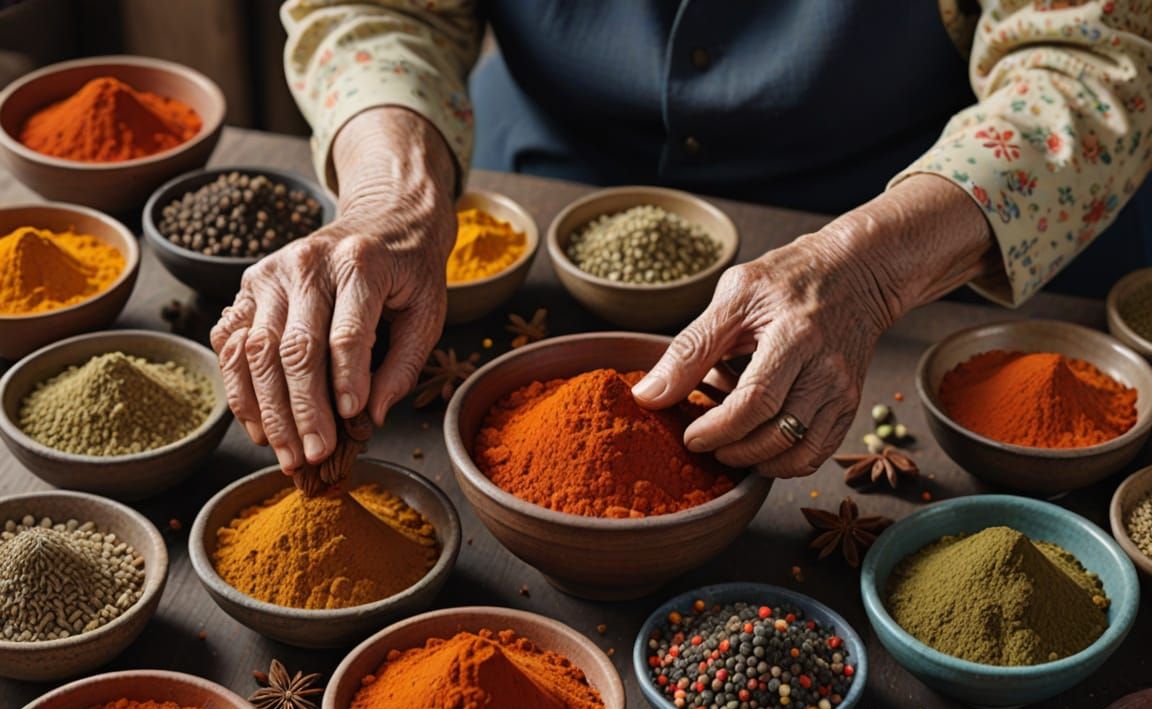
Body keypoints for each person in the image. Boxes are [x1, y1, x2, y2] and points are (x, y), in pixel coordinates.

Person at [211, 1, 1152, 479]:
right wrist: (388, 196)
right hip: (549, 181)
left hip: (926, 223)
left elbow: (1089, 59)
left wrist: (866, 272)